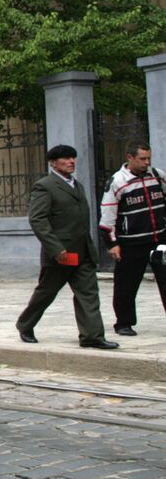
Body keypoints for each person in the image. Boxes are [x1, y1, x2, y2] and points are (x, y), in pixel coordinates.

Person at [16, 144, 118, 349]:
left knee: (88, 293)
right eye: (65, 158)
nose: (71, 161)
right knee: (47, 292)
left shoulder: (76, 185)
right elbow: (38, 219)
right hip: (61, 254)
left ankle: (92, 336)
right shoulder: (45, 186)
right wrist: (56, 248)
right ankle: (25, 324)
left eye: (73, 157)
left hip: (82, 251)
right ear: (53, 162)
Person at [99, 142, 166, 336]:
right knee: (126, 285)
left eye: (148, 158)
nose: (147, 163)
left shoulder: (157, 175)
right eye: (142, 159)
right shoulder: (117, 182)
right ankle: (124, 323)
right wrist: (112, 244)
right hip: (131, 242)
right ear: (130, 158)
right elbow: (108, 216)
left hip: (159, 240)